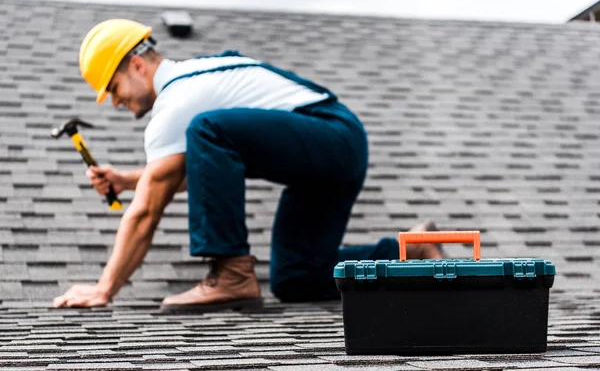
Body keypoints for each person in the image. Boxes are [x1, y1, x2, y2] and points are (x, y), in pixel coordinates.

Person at [52, 19, 442, 312]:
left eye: (114, 89)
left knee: (204, 130)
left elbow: (147, 211)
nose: (115, 102)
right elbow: (202, 171)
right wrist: (127, 179)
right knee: (297, 277)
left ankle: (232, 275)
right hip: (329, 154)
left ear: (136, 65)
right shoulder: (192, 82)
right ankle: (410, 252)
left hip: (332, 135)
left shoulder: (178, 101)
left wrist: (104, 288)